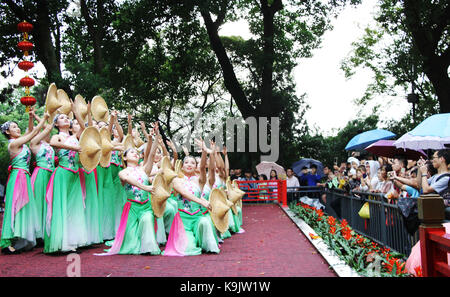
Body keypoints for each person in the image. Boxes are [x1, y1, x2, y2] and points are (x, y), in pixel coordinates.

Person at [0, 110, 49, 254]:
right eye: (14, 127)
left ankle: (21, 238)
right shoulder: (13, 144)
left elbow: (30, 131)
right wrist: (44, 118)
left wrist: (30, 117)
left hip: (24, 176)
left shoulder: (20, 142)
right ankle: (7, 241)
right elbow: (32, 134)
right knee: (14, 206)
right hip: (17, 177)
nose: (17, 128)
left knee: (24, 206)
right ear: (8, 132)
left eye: (17, 126)